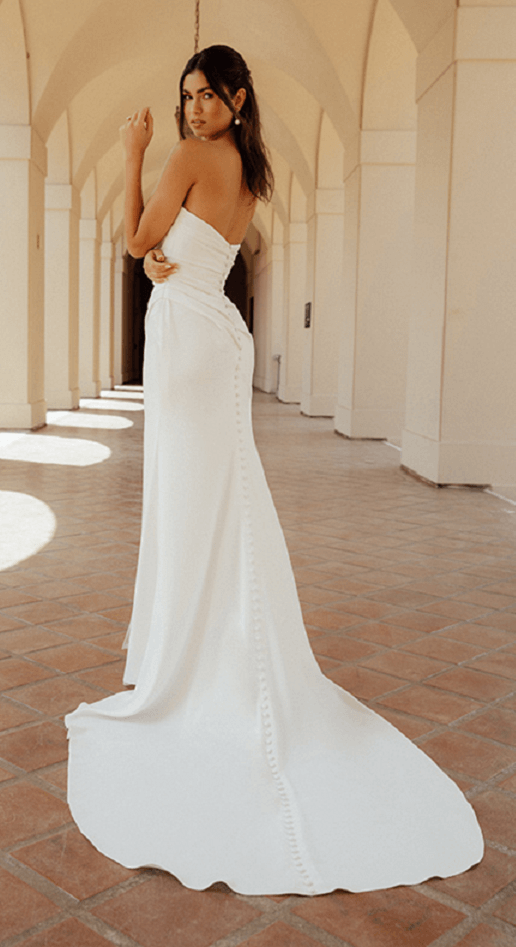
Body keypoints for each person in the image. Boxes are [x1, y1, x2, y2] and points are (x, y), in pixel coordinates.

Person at [65, 45, 483, 897]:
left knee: (188, 502)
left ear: (237, 97)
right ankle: (211, 642)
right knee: (220, 498)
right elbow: (181, 249)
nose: (190, 107)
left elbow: (138, 236)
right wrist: (156, 260)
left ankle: (191, 658)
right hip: (214, 332)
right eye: (184, 97)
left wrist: (131, 153)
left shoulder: (185, 155)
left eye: (205, 95)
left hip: (185, 338)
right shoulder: (249, 171)